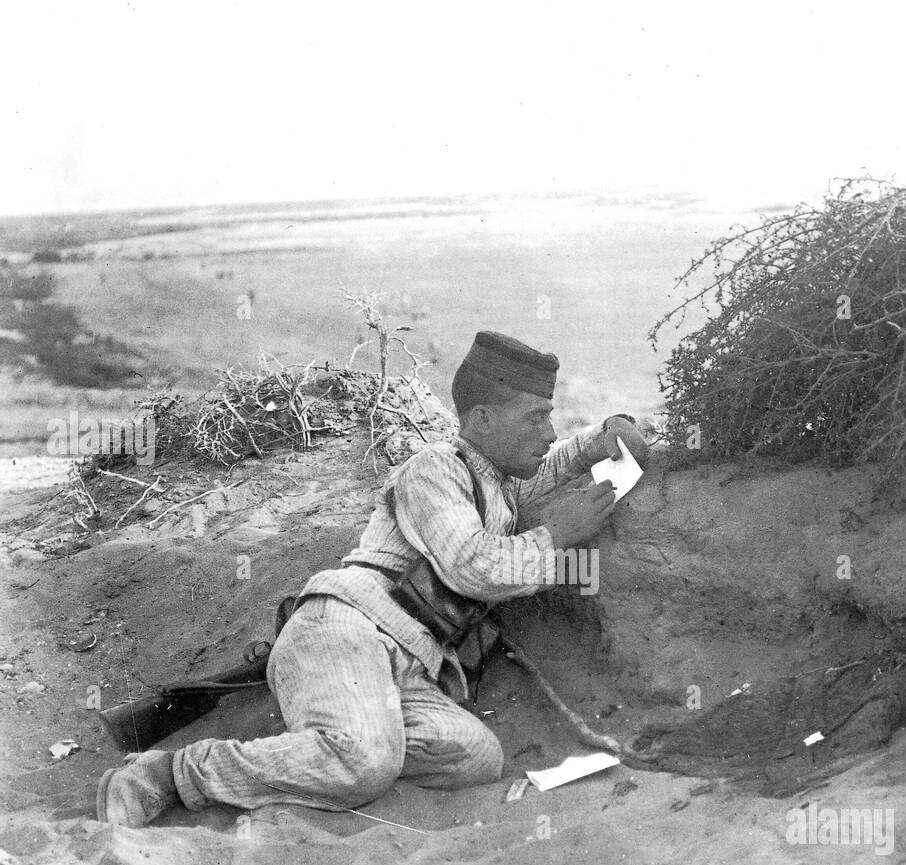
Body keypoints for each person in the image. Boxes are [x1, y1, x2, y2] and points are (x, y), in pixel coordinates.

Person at [96, 330, 649, 828]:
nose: (548, 432)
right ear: (481, 420)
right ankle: (165, 774)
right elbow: (474, 567)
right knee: (364, 762)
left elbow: (546, 465)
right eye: (534, 418)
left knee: (473, 758)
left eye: (550, 417)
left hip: (412, 663)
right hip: (348, 627)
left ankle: (326, 755)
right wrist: (556, 536)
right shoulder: (435, 469)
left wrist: (603, 436)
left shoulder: (497, 484)